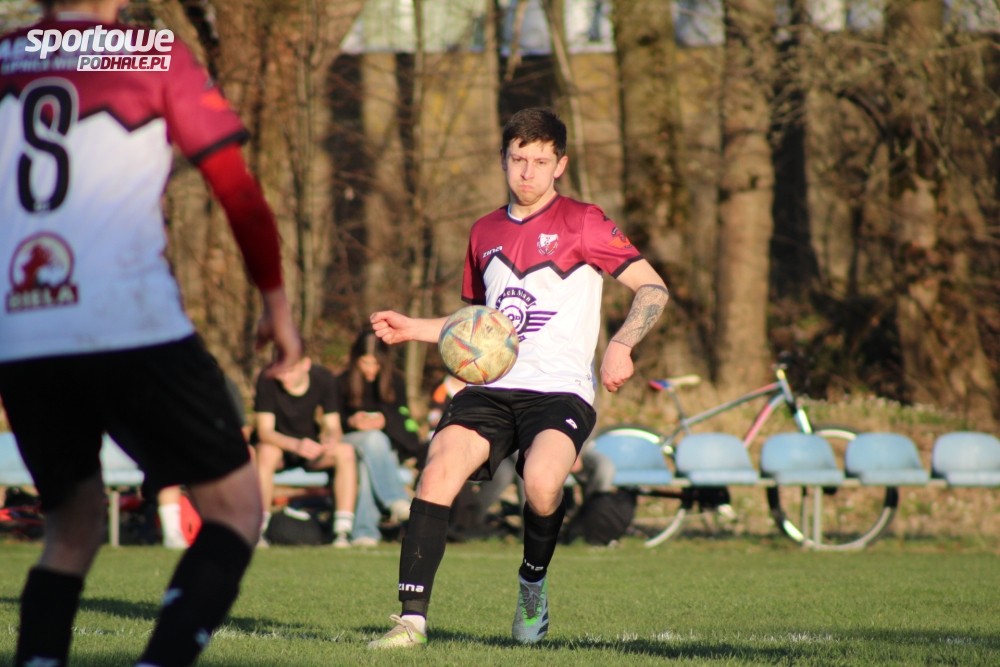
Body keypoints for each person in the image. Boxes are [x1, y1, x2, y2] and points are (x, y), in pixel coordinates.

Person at [0, 0, 301, 663]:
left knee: (71, 527)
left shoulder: (5, 57)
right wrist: (276, 306)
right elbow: (237, 191)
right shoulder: (150, 56)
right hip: (129, 322)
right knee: (235, 508)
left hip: (24, 330)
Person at [368, 107, 669, 648]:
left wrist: (622, 344)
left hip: (559, 391)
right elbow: (477, 328)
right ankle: (411, 622)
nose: (527, 172)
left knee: (543, 484)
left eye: (540, 161)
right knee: (437, 471)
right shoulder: (483, 231)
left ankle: (532, 584)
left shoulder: (584, 221)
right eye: (518, 159)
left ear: (560, 165)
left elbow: (653, 288)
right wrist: (413, 328)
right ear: (503, 159)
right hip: (490, 389)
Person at [253, 351, 358, 547]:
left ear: (306, 364)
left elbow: (333, 426)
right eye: (280, 371)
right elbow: (264, 432)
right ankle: (259, 529)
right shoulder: (267, 378)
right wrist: (295, 445)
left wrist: (330, 439)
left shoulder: (323, 378)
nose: (284, 377)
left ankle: (342, 531)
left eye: (290, 371)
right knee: (266, 452)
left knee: (345, 451)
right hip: (279, 447)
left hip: (310, 449)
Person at [336, 331, 419, 547]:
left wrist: (385, 421)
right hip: (349, 443)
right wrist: (352, 421)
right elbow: (334, 422)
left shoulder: (395, 382)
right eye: (365, 362)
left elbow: (405, 424)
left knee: (367, 463)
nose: (370, 369)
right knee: (373, 439)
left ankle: (365, 532)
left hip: (381, 450)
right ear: (356, 360)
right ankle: (396, 500)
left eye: (375, 363)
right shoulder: (342, 381)